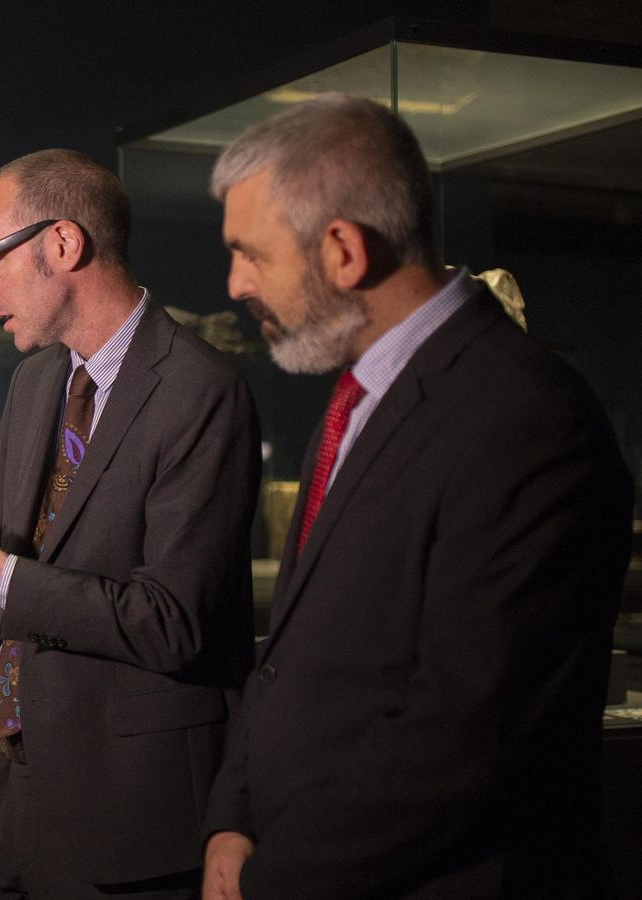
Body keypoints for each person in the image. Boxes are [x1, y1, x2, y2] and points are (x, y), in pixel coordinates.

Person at [201, 94, 633, 900]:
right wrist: (233, 816)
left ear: (342, 251)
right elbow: (290, 660)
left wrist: (274, 879)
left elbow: (466, 737)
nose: (235, 284)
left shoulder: (527, 418)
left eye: (250, 254)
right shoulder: (359, 399)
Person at [0, 149, 261, 898]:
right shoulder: (35, 381)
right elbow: (23, 577)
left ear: (64, 246)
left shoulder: (202, 394)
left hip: (119, 816)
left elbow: (172, 622)